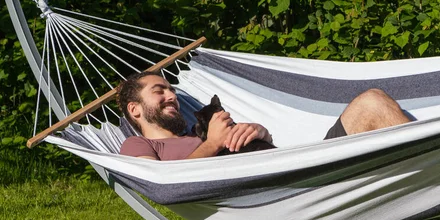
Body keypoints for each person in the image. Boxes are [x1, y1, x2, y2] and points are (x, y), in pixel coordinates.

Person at [117, 71, 410, 160]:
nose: (172, 95)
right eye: (159, 91)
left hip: (299, 163)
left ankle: (434, 159)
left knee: (372, 102)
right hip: (286, 189)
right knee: (372, 102)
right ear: (135, 109)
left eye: (171, 90)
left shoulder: (196, 134)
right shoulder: (139, 147)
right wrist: (215, 143)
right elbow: (164, 183)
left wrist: (260, 133)